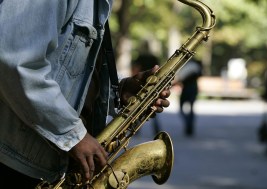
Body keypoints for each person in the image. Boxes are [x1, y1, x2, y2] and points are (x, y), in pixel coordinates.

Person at [0, 1, 171, 188]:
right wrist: (72, 134)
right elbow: (13, 62)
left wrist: (120, 91)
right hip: (15, 166)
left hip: (44, 167)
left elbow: (70, 69)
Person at [131, 41, 162, 134]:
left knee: (138, 107)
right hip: (152, 85)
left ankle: (136, 129)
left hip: (141, 84)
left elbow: (135, 70)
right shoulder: (154, 57)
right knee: (153, 106)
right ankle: (156, 129)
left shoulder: (140, 57)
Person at [174, 58, 203, 137]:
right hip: (193, 88)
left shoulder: (186, 66)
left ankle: (188, 125)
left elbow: (180, 78)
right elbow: (200, 74)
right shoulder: (196, 65)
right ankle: (189, 126)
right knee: (191, 109)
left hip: (187, 88)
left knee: (182, 108)